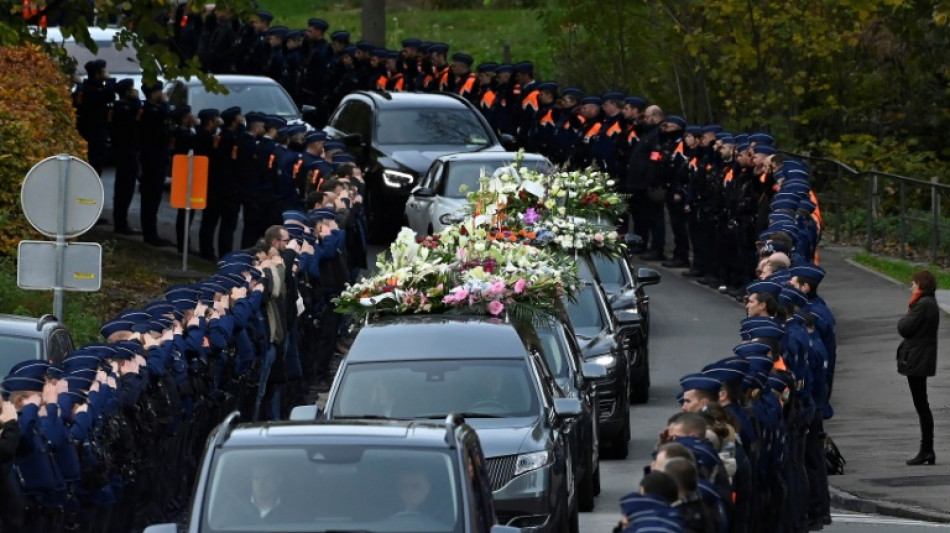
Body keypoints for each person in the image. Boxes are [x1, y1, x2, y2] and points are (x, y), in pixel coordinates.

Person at [898, 270, 939, 465]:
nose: (911, 287)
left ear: (921, 285)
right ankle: (927, 449)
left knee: (922, 405)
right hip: (921, 357)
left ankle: (927, 449)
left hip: (918, 359)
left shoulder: (922, 304)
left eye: (914, 283)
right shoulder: (927, 303)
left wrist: (904, 319)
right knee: (922, 404)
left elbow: (904, 327)